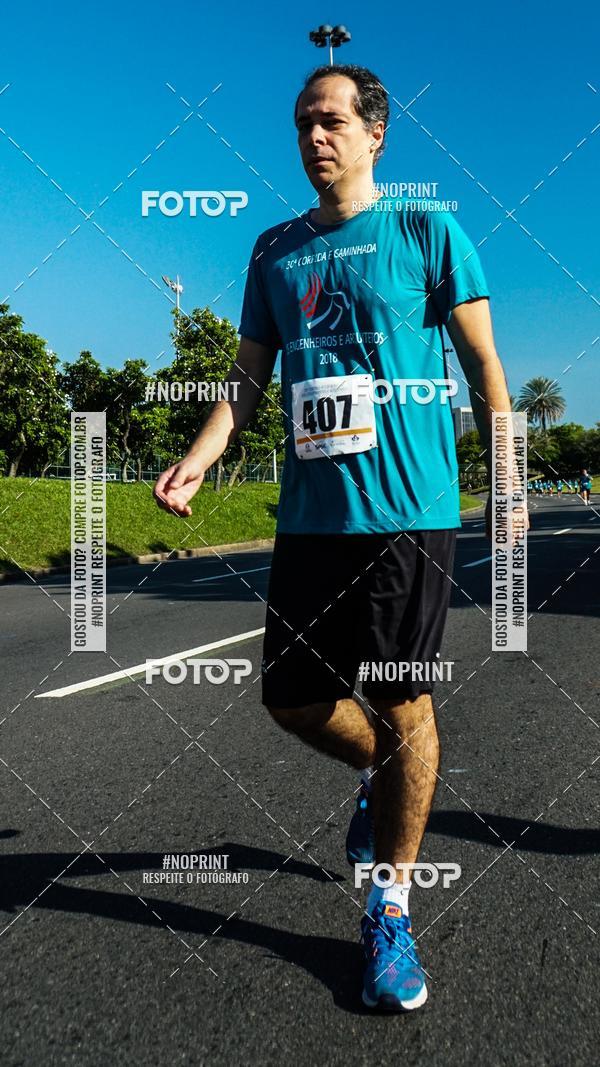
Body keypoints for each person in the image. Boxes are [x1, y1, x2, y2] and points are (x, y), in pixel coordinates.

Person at [153, 64, 515, 1012]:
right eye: (303, 123)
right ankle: (377, 780)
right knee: (293, 700)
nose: (315, 137)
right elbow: (243, 381)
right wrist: (198, 456)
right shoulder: (273, 251)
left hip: (408, 511)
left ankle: (388, 910)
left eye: (331, 121)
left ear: (374, 134)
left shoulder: (428, 231)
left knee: (403, 705)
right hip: (312, 518)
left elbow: (485, 366)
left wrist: (506, 477)